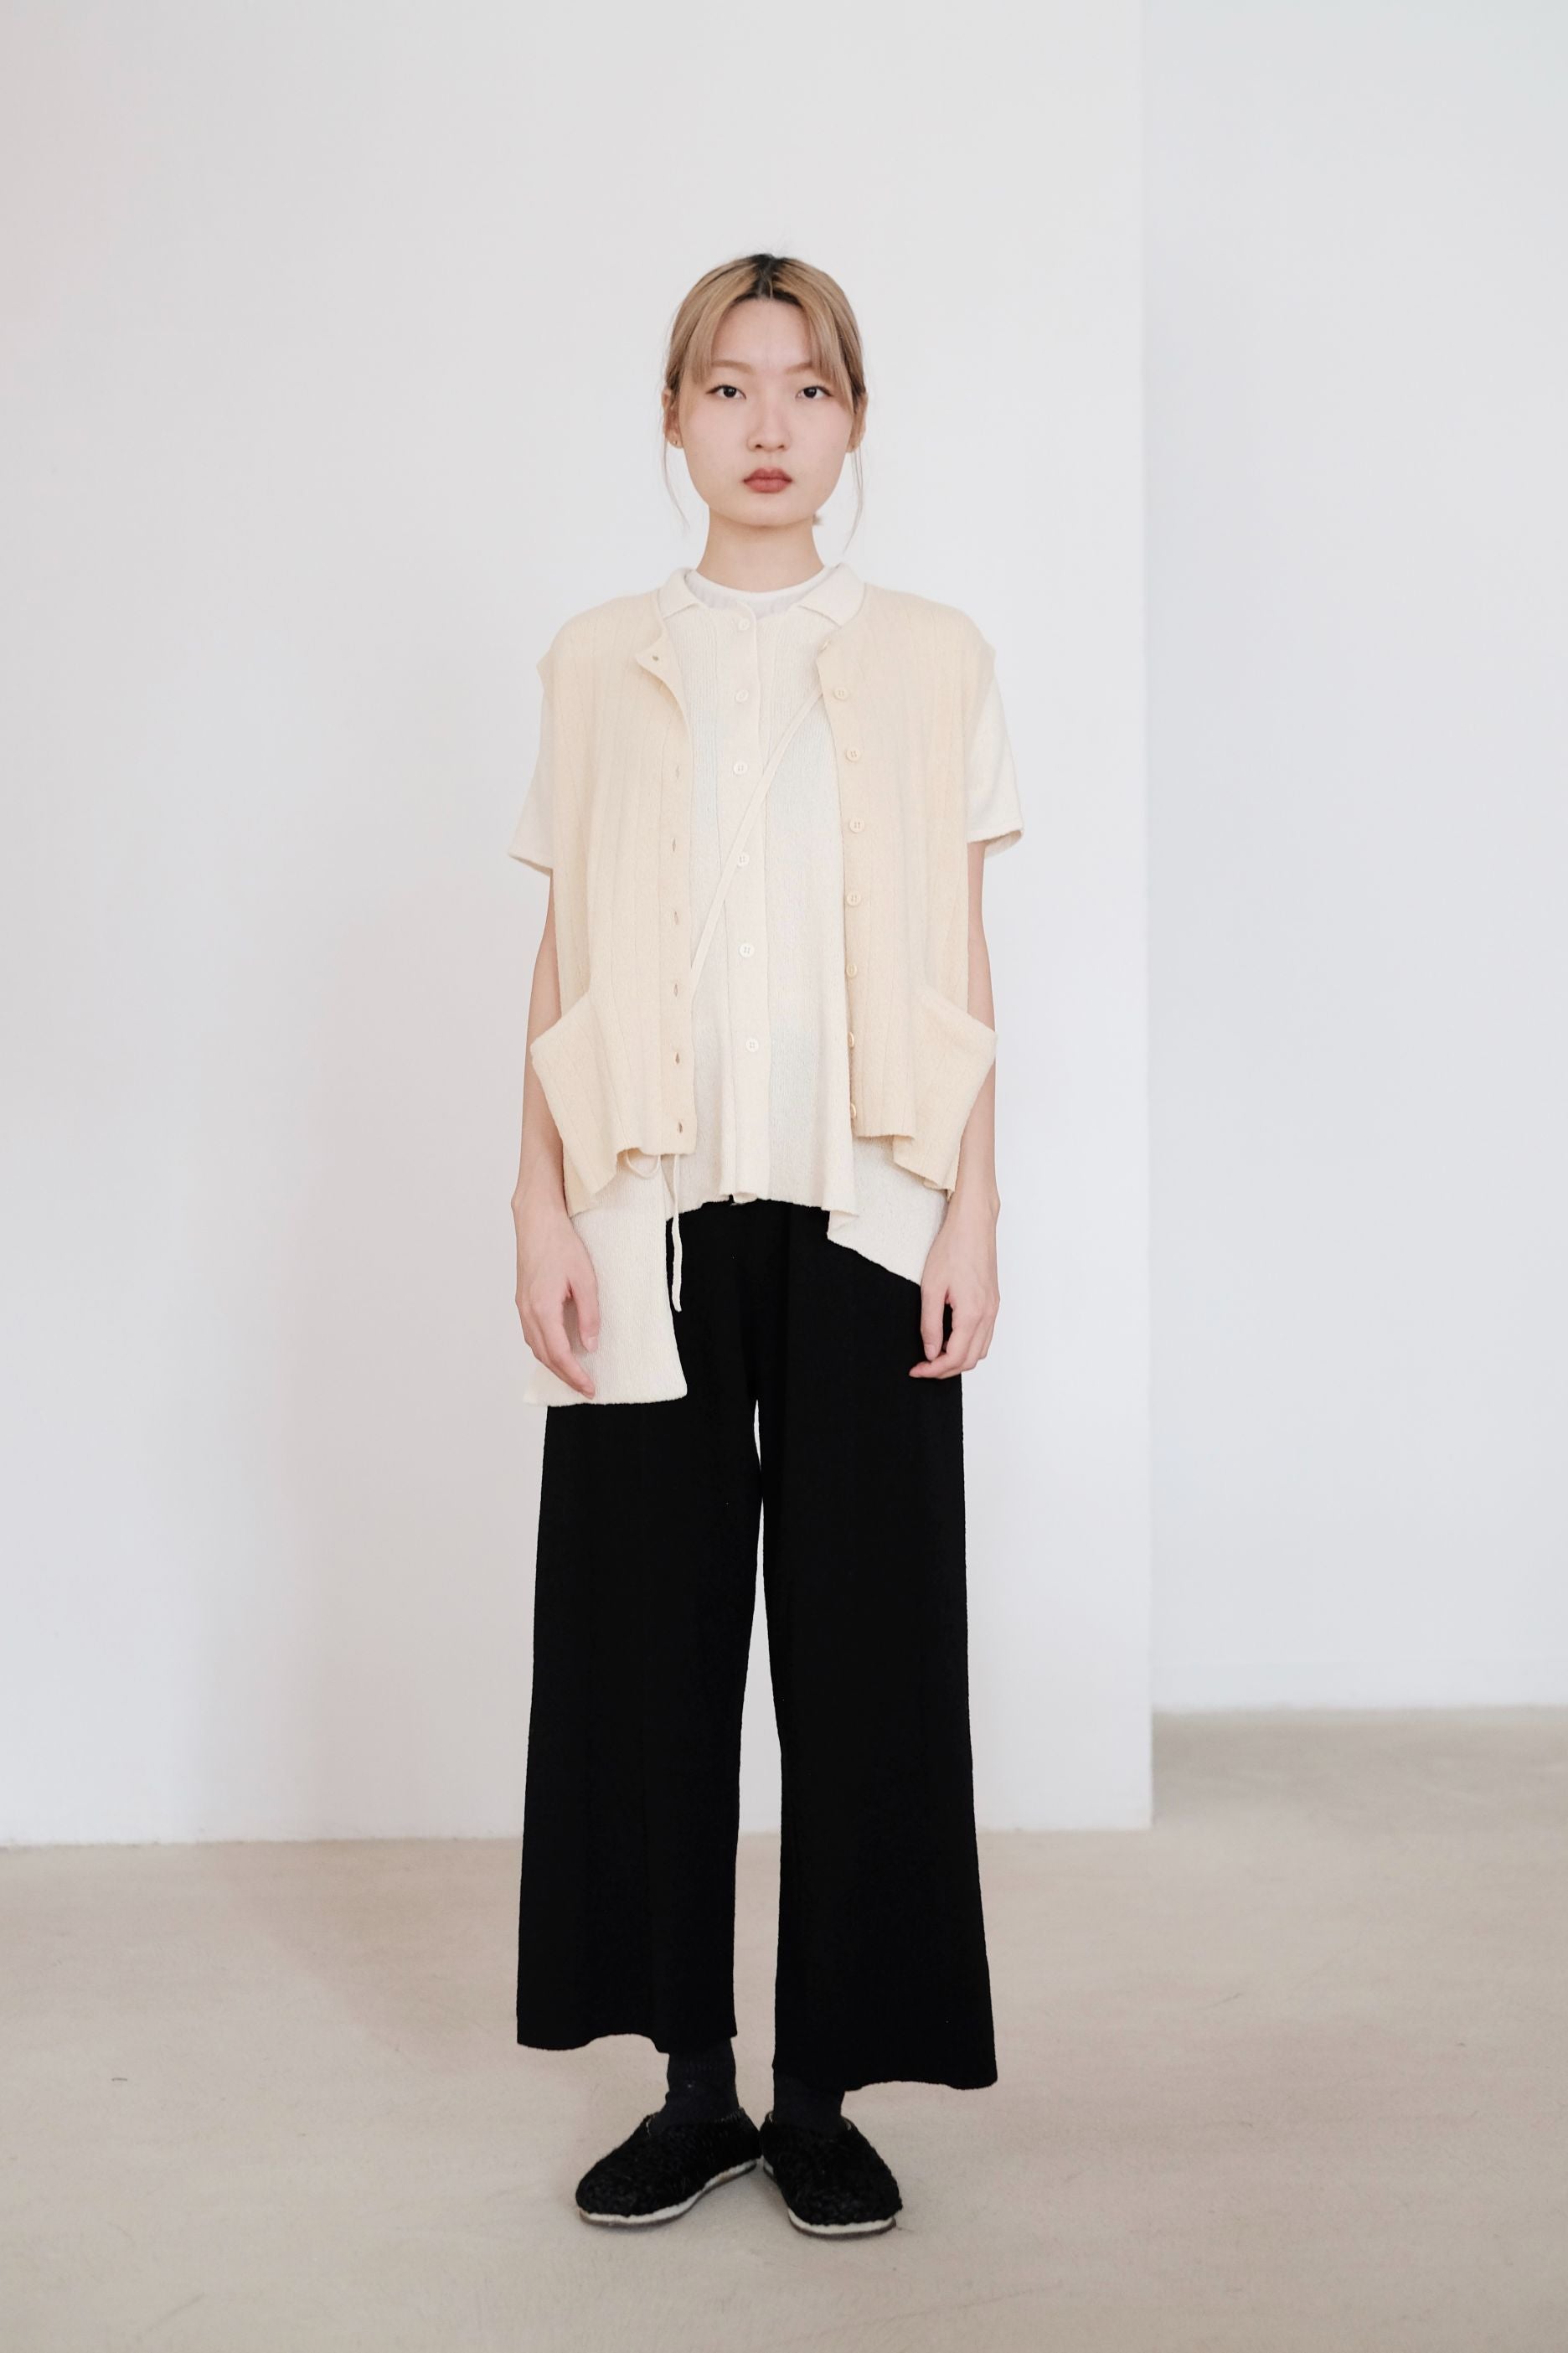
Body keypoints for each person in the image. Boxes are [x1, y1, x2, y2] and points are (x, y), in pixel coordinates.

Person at [506, 253, 1024, 2237]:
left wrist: (976, 1206)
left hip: (870, 1205)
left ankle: (822, 2093)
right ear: (674, 417)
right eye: (729, 387)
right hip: (644, 1211)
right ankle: (693, 2083)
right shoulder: (594, 659)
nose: (769, 424)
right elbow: (559, 948)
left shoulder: (935, 655)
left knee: (870, 1646)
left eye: (807, 388)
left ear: (855, 418)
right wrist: (536, 1200)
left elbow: (966, 953)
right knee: (644, 1650)